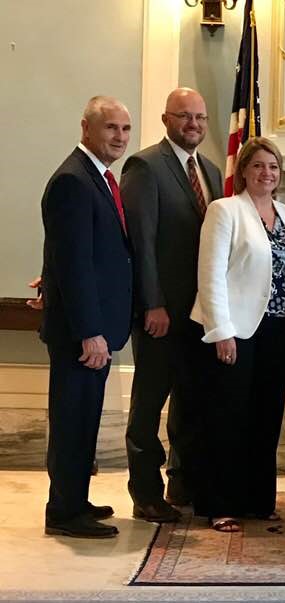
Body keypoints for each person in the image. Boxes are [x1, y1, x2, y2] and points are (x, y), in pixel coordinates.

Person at [190, 137, 285, 532]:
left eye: (273, 167)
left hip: (278, 330)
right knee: (228, 418)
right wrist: (220, 330)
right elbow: (210, 275)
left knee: (266, 416)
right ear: (243, 170)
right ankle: (220, 504)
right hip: (235, 330)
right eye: (258, 166)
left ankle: (258, 501)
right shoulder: (224, 210)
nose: (267, 173)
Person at [121, 87, 223, 521]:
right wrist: (153, 304)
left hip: (200, 315)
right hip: (160, 314)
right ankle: (145, 494)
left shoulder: (213, 172)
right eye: (185, 117)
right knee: (148, 406)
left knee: (191, 404)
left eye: (199, 117)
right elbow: (140, 244)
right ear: (166, 120)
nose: (194, 125)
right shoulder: (145, 166)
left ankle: (182, 484)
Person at [40, 96, 133, 538]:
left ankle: (74, 499)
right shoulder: (73, 181)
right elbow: (74, 264)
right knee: (72, 420)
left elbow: (75, 255)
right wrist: (90, 332)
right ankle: (63, 513)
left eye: (125, 129)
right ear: (86, 129)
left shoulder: (97, 179)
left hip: (92, 328)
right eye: (110, 128)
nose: (119, 137)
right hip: (83, 334)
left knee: (83, 419)